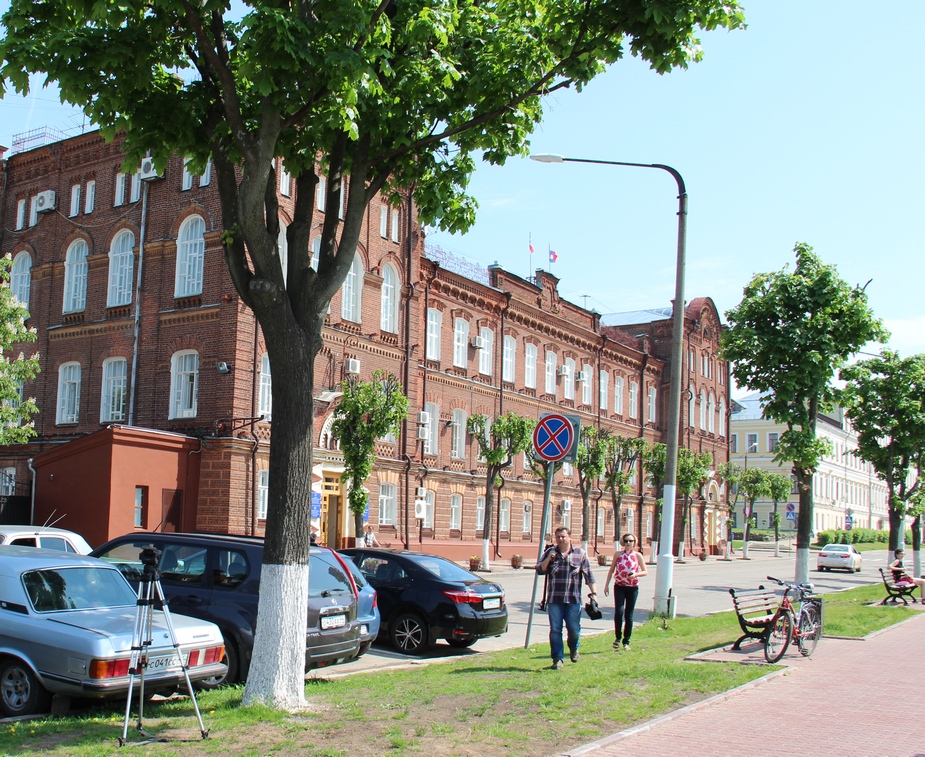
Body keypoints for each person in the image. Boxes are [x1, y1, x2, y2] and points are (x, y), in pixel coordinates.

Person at [535, 526, 597, 670]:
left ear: (570, 537)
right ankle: (557, 659)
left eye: (563, 536)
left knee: (574, 629)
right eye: (558, 537)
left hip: (573, 599)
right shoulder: (550, 552)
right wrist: (548, 558)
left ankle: (574, 648)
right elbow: (540, 570)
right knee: (555, 630)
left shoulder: (580, 554)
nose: (561, 539)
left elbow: (589, 576)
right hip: (554, 600)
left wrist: (594, 594)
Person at [604, 533, 648, 650]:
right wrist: (606, 585)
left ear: (634, 542)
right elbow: (611, 570)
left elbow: (645, 571)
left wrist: (636, 574)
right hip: (619, 586)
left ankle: (626, 641)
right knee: (619, 612)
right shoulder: (618, 555)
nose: (628, 543)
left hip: (632, 588)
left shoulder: (637, 555)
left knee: (629, 615)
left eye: (631, 541)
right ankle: (618, 638)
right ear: (623, 542)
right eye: (626, 540)